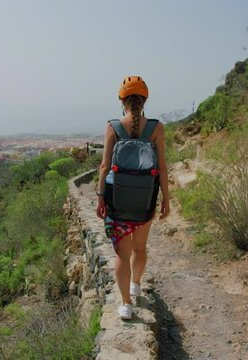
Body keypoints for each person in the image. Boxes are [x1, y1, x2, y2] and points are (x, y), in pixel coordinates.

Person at [95, 76, 170, 320]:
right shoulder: (156, 127)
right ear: (144, 99)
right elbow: (162, 167)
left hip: (118, 200)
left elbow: (105, 166)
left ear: (122, 100)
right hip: (146, 198)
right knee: (140, 247)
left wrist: (100, 197)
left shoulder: (113, 126)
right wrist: (166, 199)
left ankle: (126, 303)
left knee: (121, 254)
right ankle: (136, 284)